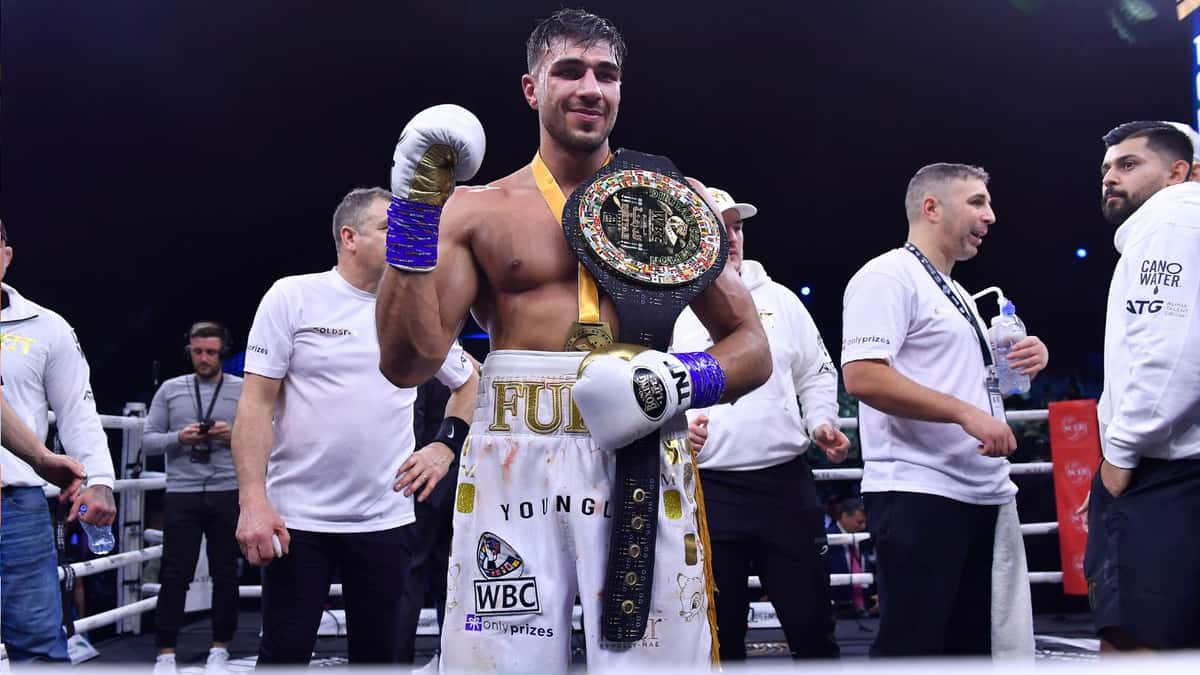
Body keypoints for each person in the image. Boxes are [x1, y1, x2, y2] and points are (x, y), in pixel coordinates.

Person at [375, 9, 771, 672]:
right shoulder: (476, 209)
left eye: (606, 74)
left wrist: (675, 381)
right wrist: (414, 214)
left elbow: (750, 347)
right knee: (501, 663)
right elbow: (405, 362)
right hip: (514, 459)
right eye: (570, 71)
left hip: (640, 457)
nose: (591, 87)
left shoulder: (673, 201)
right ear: (532, 88)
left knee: (659, 663)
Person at [231, 187, 477, 665]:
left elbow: (471, 384)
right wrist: (252, 502)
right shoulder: (294, 296)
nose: (401, 239)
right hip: (297, 519)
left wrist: (443, 448)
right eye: (389, 229)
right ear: (349, 237)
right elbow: (255, 406)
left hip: (385, 519)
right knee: (283, 655)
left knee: (381, 659)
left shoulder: (414, 313)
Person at [840, 163, 1049, 657]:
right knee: (914, 650)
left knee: (969, 651)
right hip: (920, 491)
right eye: (977, 202)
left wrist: (1025, 364)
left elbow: (971, 386)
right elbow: (863, 376)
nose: (991, 215)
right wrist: (964, 413)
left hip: (976, 491)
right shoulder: (887, 274)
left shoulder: (957, 291)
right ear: (931, 208)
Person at [672, 187, 848, 660]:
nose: (730, 236)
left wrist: (822, 422)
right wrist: (673, 428)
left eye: (737, 226)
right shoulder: (669, 303)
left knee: (813, 628)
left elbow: (816, 371)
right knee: (718, 638)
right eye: (718, 224)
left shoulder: (783, 300)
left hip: (785, 487)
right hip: (709, 490)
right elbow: (647, 386)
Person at [1088, 120, 1200, 651]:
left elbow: (1172, 354)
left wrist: (1119, 458)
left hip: (1168, 473)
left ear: (1178, 172)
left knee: (1133, 645)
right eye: (1107, 168)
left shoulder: (1172, 219)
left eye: (1129, 165)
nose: (1111, 177)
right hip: (1173, 471)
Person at [0, 219, 118, 662]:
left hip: (18, 504)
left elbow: (77, 409)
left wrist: (100, 480)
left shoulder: (46, 327)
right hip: (30, 483)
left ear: (7, 255)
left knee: (37, 646)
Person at [142, 321, 245, 673]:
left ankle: (221, 647)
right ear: (189, 350)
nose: (204, 358)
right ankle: (165, 652)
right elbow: (147, 440)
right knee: (175, 573)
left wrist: (234, 435)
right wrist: (178, 438)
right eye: (198, 351)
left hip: (228, 490)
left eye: (211, 352)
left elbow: (267, 437)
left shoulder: (242, 389)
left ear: (223, 353)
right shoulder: (171, 390)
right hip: (183, 492)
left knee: (226, 573)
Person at [396, 356, 479, 666]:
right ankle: (448, 659)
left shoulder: (428, 360)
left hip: (428, 476)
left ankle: (400, 663)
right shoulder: (459, 362)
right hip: (454, 477)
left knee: (414, 577)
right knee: (450, 577)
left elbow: (413, 422)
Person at [824, 498, 876, 618]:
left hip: (869, 610)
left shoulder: (866, 537)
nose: (863, 526)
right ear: (844, 516)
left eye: (865, 522)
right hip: (837, 611)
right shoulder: (826, 539)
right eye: (859, 522)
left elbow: (875, 569)